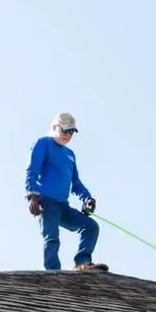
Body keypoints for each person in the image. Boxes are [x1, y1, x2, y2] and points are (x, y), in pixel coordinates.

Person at [25, 112, 108, 272]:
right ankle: (53, 273)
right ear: (55, 127)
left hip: (63, 205)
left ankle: (82, 263)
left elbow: (75, 183)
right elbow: (32, 170)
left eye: (71, 132)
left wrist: (87, 198)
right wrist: (31, 195)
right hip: (47, 202)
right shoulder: (43, 144)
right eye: (64, 130)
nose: (68, 135)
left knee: (91, 227)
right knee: (52, 238)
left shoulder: (70, 155)